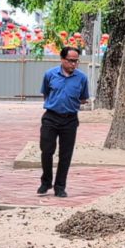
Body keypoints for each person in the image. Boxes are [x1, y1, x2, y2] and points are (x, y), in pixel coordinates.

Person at [37, 46, 89, 198]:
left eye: (76, 61)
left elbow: (83, 98)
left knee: (65, 155)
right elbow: (46, 93)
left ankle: (60, 187)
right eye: (70, 61)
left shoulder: (82, 78)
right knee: (47, 150)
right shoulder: (50, 74)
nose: (74, 64)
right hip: (51, 117)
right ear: (62, 59)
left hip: (70, 120)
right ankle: (46, 181)